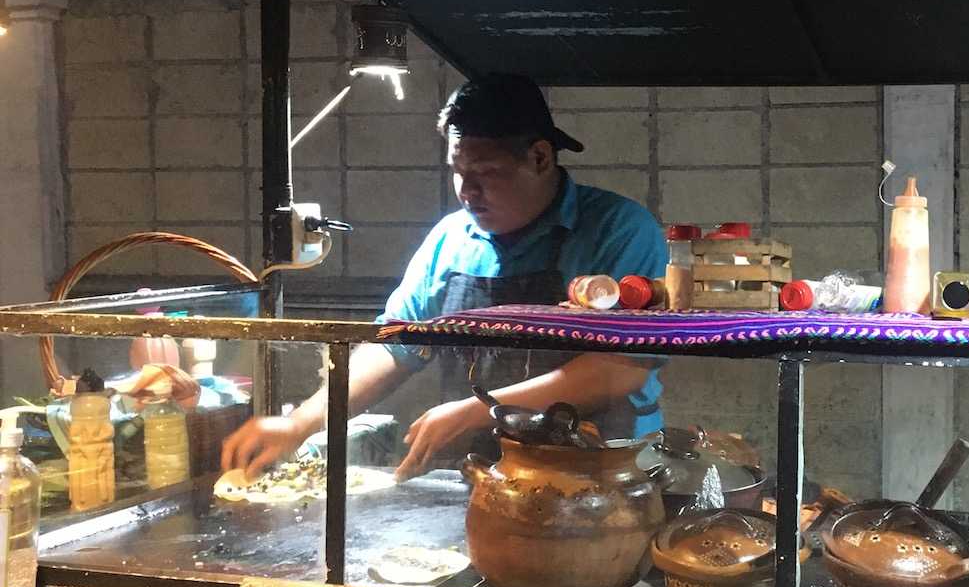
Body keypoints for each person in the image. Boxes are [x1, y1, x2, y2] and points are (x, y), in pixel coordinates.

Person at [222, 74, 666, 481]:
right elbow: (395, 347)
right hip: (482, 469)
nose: (467, 191)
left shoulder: (620, 229)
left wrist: (479, 410)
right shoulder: (450, 240)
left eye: (486, 173)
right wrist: (300, 423)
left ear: (539, 157)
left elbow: (618, 369)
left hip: (602, 468)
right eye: (459, 172)